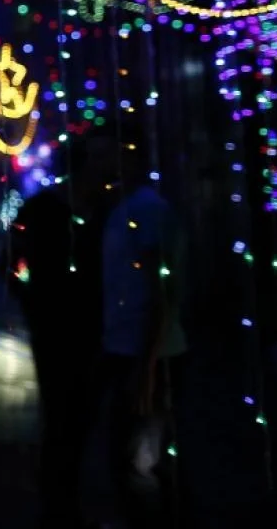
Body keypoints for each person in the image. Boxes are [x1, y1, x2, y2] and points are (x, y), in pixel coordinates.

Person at [8, 129, 116, 529]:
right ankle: (57, 508)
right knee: (61, 418)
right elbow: (12, 263)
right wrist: (35, 307)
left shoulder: (105, 210)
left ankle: (64, 501)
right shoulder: (42, 211)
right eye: (101, 159)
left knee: (81, 417)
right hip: (56, 331)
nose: (109, 167)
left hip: (94, 330)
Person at [93, 127, 187, 529]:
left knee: (140, 459)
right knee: (130, 453)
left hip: (149, 352)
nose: (99, 164)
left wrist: (147, 367)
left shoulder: (146, 211)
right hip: (130, 348)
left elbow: (160, 289)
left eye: (105, 155)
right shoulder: (125, 206)